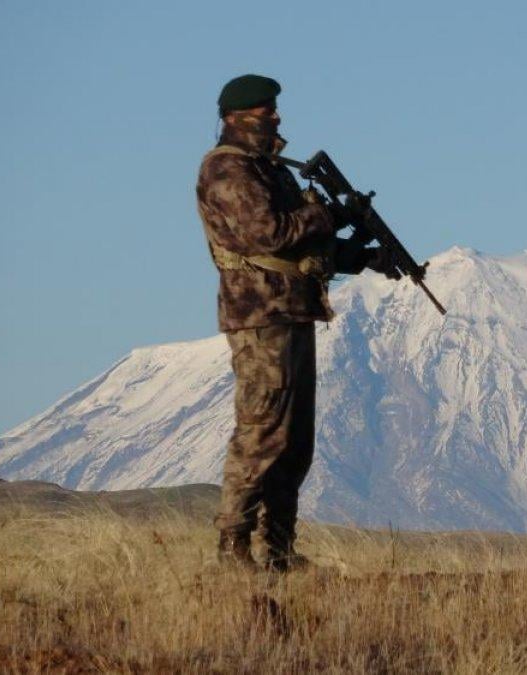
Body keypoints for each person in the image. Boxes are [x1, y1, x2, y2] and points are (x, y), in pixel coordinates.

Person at [195, 74, 388, 571]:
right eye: (266, 111)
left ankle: (277, 549)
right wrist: (326, 214)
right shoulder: (229, 170)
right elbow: (270, 234)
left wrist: (361, 256)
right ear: (237, 117)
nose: (276, 117)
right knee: (261, 433)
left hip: (292, 311)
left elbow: (302, 248)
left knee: (294, 441)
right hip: (260, 316)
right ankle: (233, 547)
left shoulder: (269, 169)